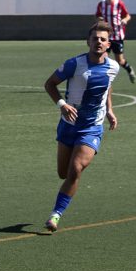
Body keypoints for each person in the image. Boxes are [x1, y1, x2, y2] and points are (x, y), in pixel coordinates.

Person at [43, 21, 119, 232]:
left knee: (75, 169)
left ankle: (55, 214)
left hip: (92, 127)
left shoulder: (114, 67)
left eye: (103, 39)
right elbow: (49, 84)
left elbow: (107, 88)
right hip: (68, 124)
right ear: (88, 41)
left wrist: (110, 110)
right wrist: (62, 104)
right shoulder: (74, 64)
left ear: (108, 44)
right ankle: (62, 200)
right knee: (63, 173)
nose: (98, 42)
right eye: (95, 38)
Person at [95, 0, 136, 83]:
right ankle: (103, 78)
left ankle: (129, 70)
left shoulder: (119, 3)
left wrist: (125, 20)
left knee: (120, 61)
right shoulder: (101, 4)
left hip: (118, 37)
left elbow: (127, 15)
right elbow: (97, 16)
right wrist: (100, 19)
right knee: (102, 57)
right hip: (106, 37)